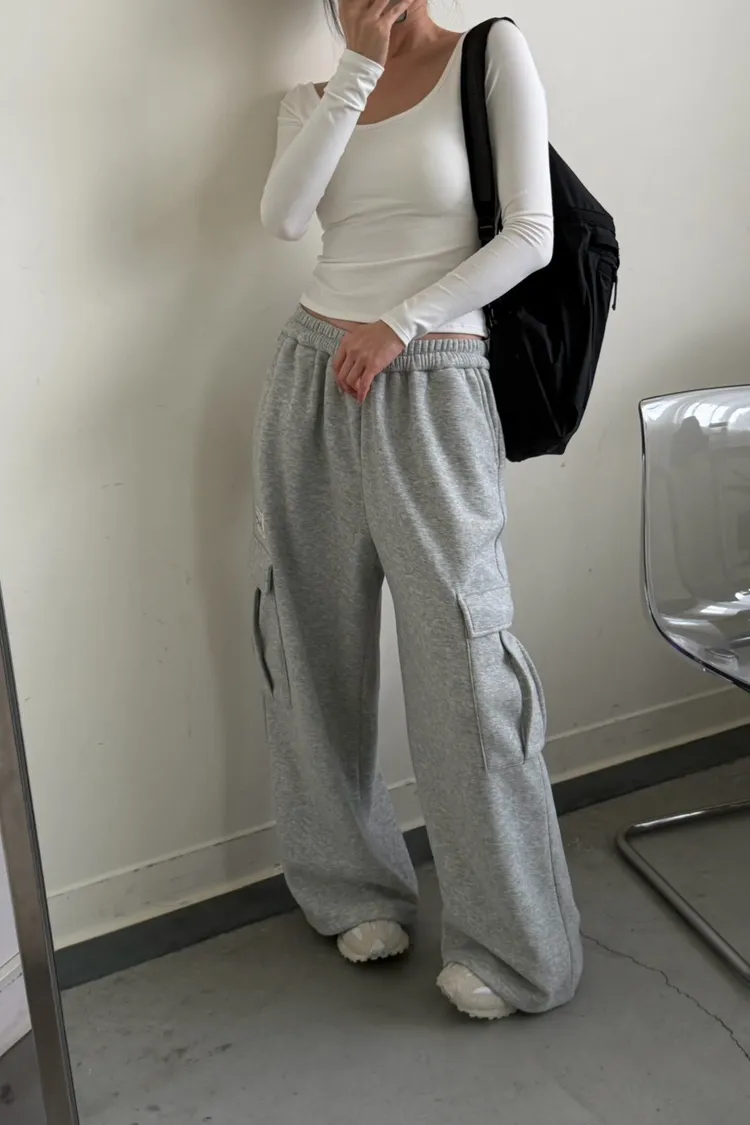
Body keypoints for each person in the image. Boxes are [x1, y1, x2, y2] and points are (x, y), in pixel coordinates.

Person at [254, 0, 582, 1020]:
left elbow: (532, 235)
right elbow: (285, 219)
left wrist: (400, 322)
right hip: (313, 373)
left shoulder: (489, 54)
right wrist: (355, 68)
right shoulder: (312, 94)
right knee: (311, 644)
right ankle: (350, 885)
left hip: (434, 375)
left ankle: (516, 943)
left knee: (464, 661)